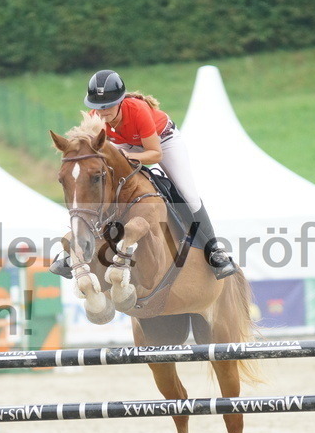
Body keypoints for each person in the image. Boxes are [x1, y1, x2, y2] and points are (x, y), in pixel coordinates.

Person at [51, 69, 237, 280]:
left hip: (162, 143)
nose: (102, 112)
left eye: (108, 106)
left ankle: (214, 251)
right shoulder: (97, 119)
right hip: (123, 146)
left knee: (188, 194)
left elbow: (155, 154)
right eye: (97, 107)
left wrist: (128, 155)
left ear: (120, 101)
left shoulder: (138, 110)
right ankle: (73, 252)